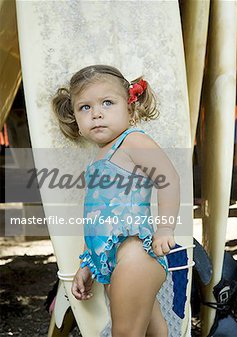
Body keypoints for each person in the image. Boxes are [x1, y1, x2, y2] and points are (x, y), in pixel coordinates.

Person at [52, 64, 180, 337]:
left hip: (135, 257)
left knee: (125, 333)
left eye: (107, 103)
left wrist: (166, 228)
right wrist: (87, 264)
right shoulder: (100, 157)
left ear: (130, 110)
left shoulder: (132, 142)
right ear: (75, 117)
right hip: (114, 261)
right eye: (85, 107)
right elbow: (97, 218)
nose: (96, 113)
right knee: (154, 333)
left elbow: (168, 178)